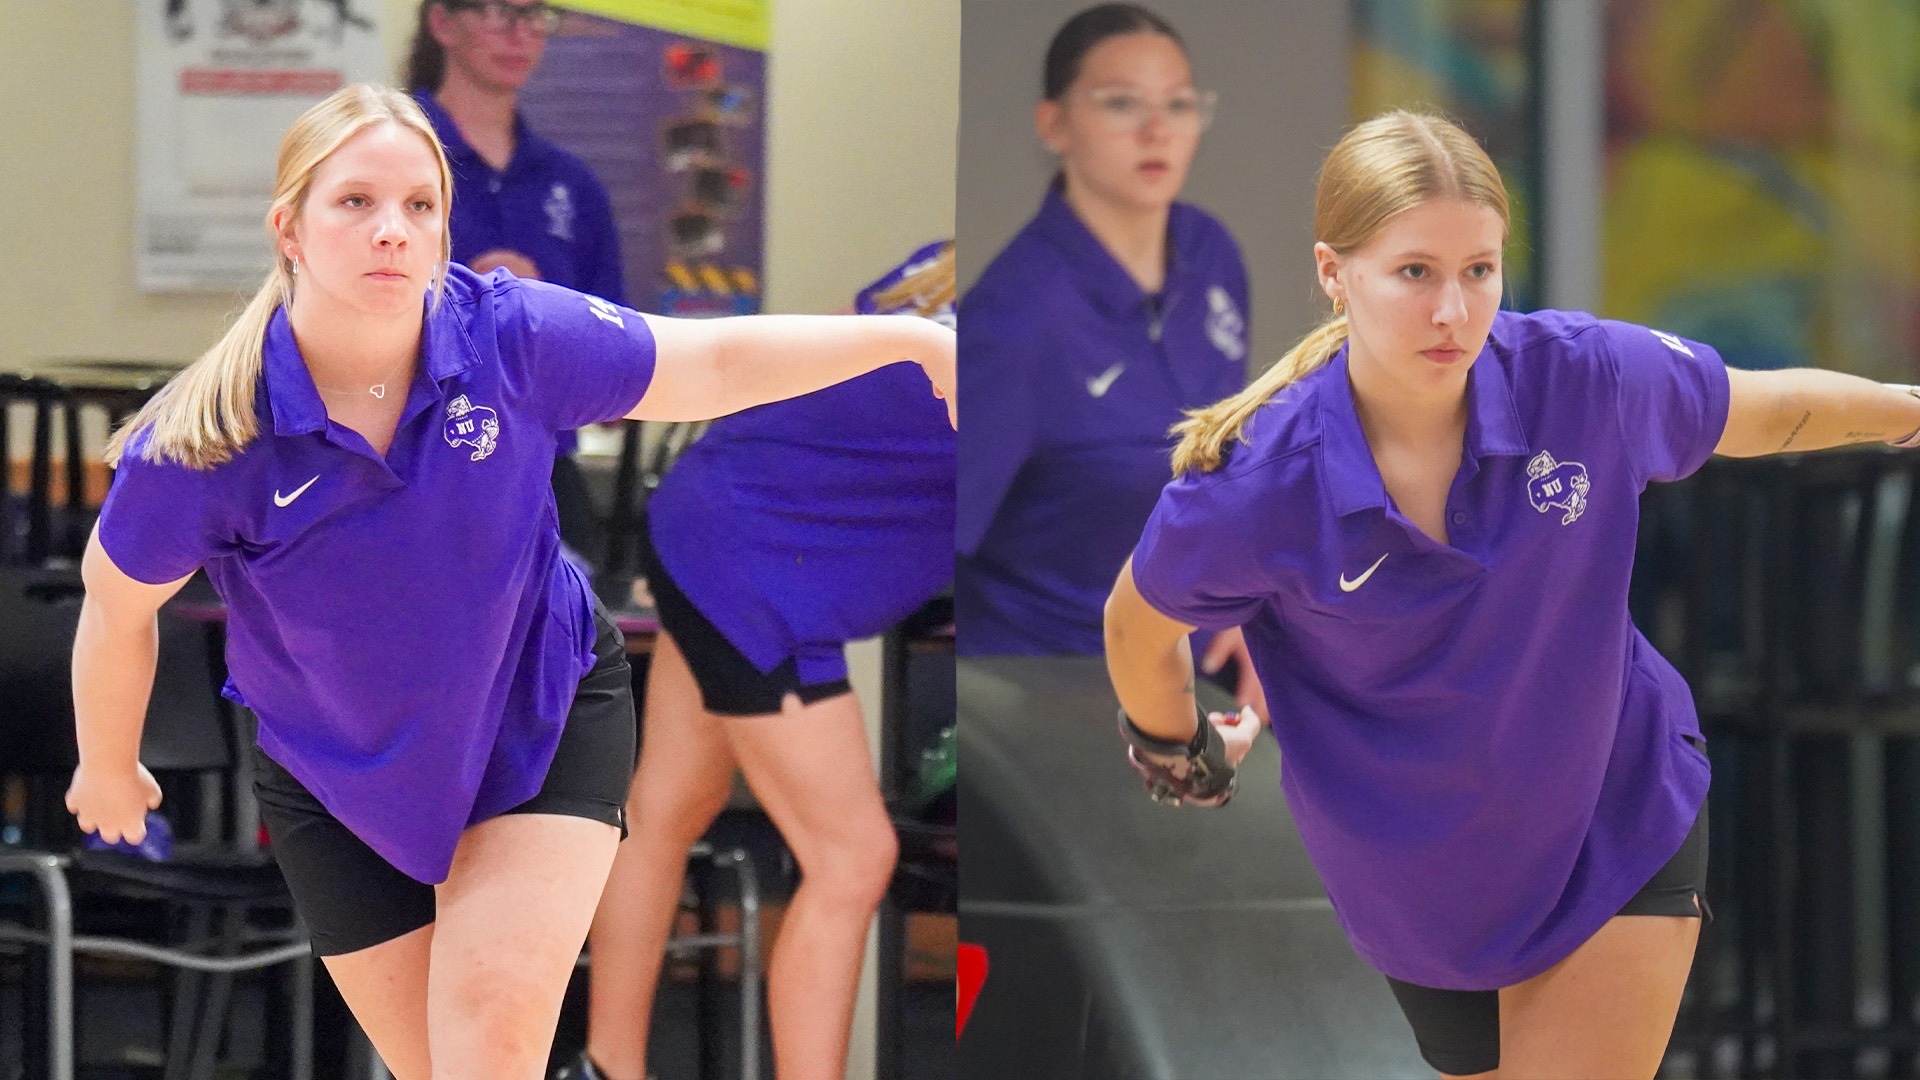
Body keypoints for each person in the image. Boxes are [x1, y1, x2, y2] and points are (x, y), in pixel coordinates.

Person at [65, 85, 953, 1080]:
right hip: (338, 778)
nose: (392, 230)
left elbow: (713, 360)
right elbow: (116, 602)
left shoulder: (509, 338)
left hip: (540, 717)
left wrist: (909, 341)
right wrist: (107, 762)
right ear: (291, 230)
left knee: (489, 1041)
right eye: (355, 202)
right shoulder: (208, 435)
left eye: (419, 206)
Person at [1103, 108, 1920, 1080]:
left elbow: (1767, 408)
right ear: (1334, 272)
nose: (1454, 311)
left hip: (1614, 820)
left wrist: (1907, 414)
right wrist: (1177, 749)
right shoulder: (1256, 485)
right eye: (1415, 272)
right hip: (1420, 890)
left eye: (1479, 270)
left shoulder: (1585, 377)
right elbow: (1136, 624)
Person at [557, 243, 955, 1080]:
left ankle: (605, 1067)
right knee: (853, 858)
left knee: (668, 805)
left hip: (706, 521)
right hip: (758, 574)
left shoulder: (930, 272)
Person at [956, 2, 1261, 706]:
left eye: (1178, 105)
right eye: (1122, 103)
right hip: (1049, 682)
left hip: (1186, 668)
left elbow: (1223, 472)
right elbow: (940, 540)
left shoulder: (1211, 255)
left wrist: (1251, 599)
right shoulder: (1016, 319)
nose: (1158, 130)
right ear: (1054, 124)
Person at [403, 0, 626, 550]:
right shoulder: (390, 154)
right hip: (407, 460)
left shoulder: (572, 184)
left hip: (542, 466)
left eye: (534, 18)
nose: (519, 35)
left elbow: (615, 368)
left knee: (585, 629)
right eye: (500, 12)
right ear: (442, 22)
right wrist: (462, 292)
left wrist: (542, 307)